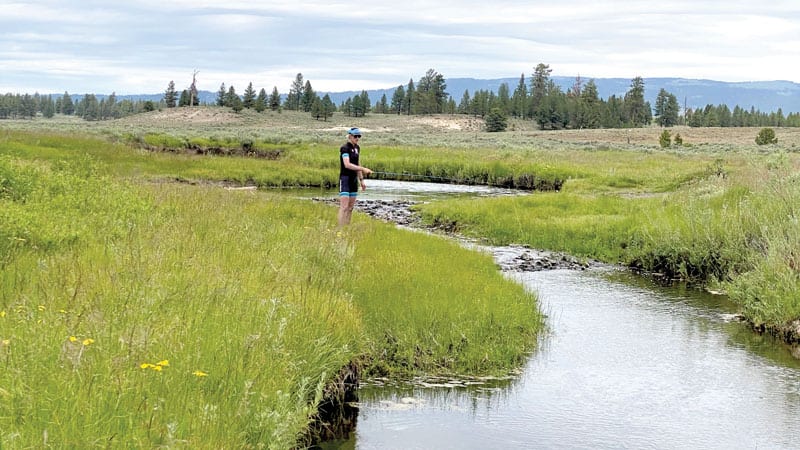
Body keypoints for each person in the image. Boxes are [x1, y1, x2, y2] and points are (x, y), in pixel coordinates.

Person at [338, 127, 372, 226]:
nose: (357, 138)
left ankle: (346, 227)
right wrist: (363, 168)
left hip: (353, 180)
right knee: (344, 207)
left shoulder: (357, 148)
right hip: (345, 179)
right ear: (350, 136)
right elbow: (347, 164)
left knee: (350, 208)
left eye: (359, 136)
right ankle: (340, 228)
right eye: (355, 136)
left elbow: (357, 163)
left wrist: (361, 180)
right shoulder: (345, 148)